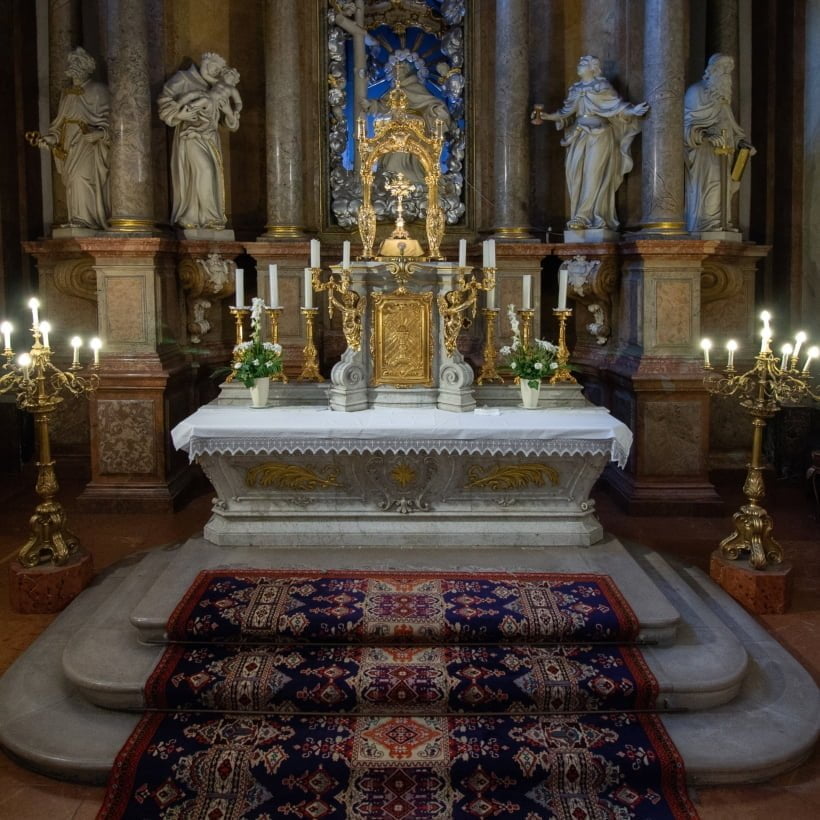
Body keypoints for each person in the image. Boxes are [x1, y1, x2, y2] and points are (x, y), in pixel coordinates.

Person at [531, 55, 648, 232]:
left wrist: (633, 110)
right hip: (578, 136)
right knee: (576, 176)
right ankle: (580, 214)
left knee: (594, 174)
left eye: (584, 63)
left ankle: (583, 216)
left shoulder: (602, 87)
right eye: (579, 62)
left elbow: (616, 107)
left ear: (593, 68)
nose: (579, 65)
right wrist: (546, 116)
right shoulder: (575, 89)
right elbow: (565, 113)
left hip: (600, 135)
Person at [27, 47, 110, 229]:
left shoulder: (99, 90)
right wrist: (50, 139)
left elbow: (114, 122)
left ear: (88, 66)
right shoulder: (66, 94)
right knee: (71, 181)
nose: (74, 65)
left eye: (78, 62)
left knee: (82, 178)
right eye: (72, 62)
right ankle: (76, 218)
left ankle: (88, 220)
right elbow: (60, 124)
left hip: (87, 144)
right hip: (69, 145)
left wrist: (100, 134)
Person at [158, 53, 241, 231]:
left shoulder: (217, 88)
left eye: (219, 71)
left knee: (209, 174)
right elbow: (164, 102)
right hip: (190, 136)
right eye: (214, 67)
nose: (215, 72)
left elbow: (231, 124)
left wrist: (228, 111)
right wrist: (180, 114)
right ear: (205, 62)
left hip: (210, 139)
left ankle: (206, 218)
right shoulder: (183, 78)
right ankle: (195, 214)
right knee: (204, 170)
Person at [684, 53, 754, 233]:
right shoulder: (696, 92)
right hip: (705, 154)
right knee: (712, 186)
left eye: (729, 71)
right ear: (712, 70)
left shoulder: (723, 100)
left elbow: (730, 128)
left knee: (724, 187)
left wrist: (741, 143)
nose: (726, 74)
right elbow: (683, 127)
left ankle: (721, 223)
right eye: (723, 69)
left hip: (726, 153)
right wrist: (706, 136)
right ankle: (706, 224)